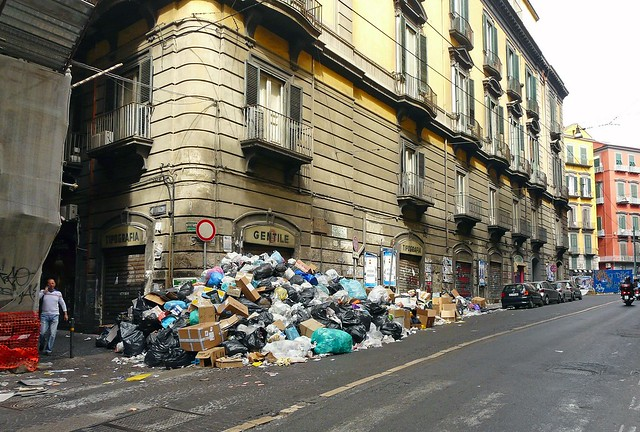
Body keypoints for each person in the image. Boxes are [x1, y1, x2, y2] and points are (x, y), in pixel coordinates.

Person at [38, 278, 68, 355]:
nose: (51, 285)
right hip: (44, 315)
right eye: (50, 283)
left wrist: (65, 313)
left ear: (54, 284)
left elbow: (62, 303)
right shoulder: (43, 292)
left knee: (52, 333)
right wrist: (44, 292)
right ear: (47, 284)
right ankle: (42, 343)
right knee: (42, 333)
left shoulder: (58, 293)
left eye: (52, 283)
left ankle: (49, 349)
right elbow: (37, 298)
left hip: (55, 315)